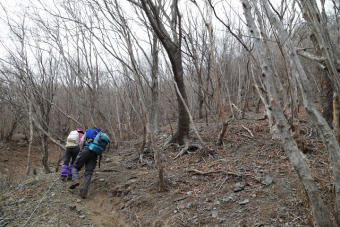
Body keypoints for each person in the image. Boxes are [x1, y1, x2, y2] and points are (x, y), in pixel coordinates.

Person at [70, 128, 110, 198]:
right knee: (89, 173)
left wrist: (81, 151)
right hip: (95, 155)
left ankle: (75, 180)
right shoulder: (100, 134)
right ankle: (84, 191)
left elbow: (82, 141)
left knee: (75, 167)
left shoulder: (88, 131)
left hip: (86, 150)